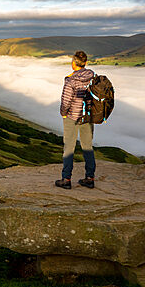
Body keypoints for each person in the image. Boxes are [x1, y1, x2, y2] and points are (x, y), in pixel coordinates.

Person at [56, 50, 96, 189]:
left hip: (72, 116)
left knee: (69, 147)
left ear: (74, 63)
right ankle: (90, 178)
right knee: (87, 147)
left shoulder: (70, 80)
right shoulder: (92, 76)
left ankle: (66, 179)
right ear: (85, 63)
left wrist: (63, 113)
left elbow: (66, 101)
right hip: (88, 116)